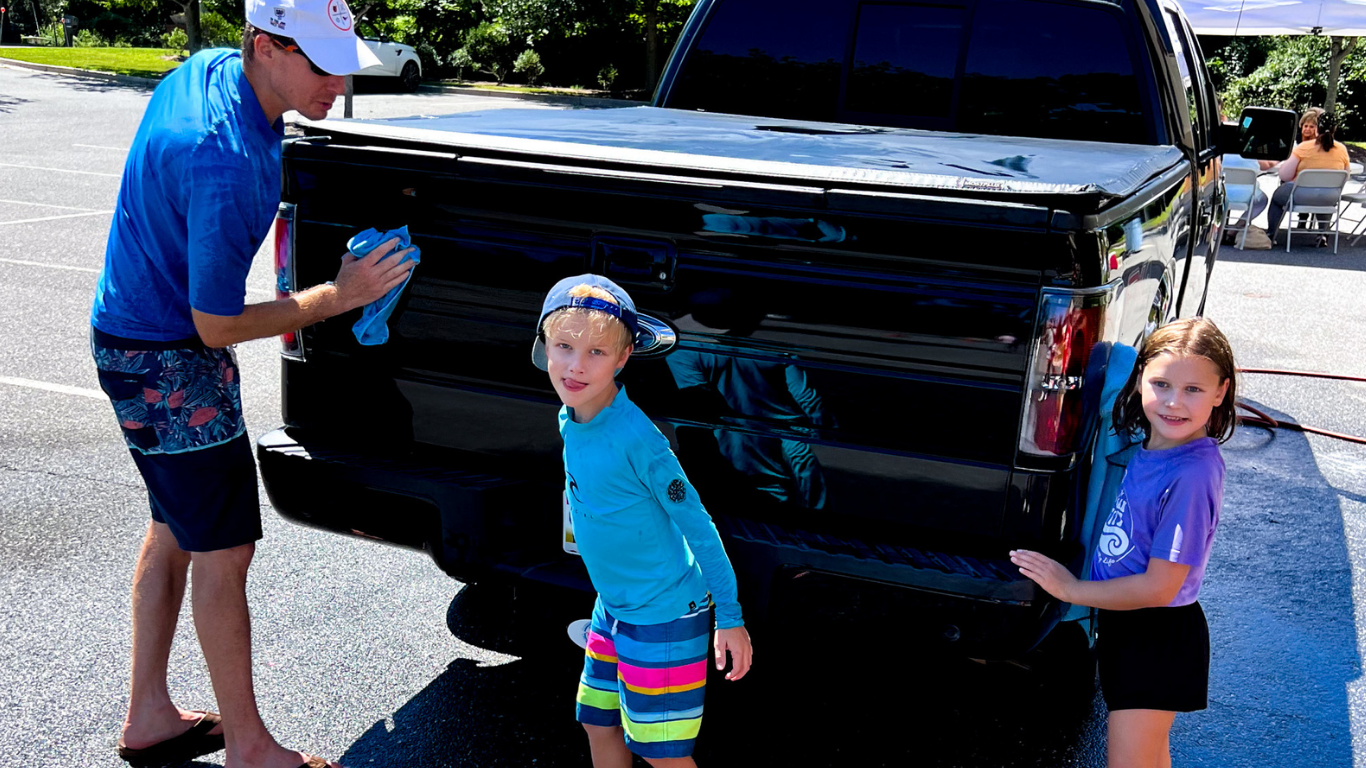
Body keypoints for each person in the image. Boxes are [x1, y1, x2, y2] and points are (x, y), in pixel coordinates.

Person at [90, 3, 407, 768]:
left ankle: (150, 718)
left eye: (344, 61)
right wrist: (343, 294)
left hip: (128, 336)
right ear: (265, 47)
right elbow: (215, 325)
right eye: (322, 65)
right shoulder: (224, 159)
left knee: (175, 529)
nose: (340, 81)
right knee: (224, 551)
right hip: (171, 361)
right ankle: (253, 751)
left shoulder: (208, 72)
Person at [532, 275, 753, 767]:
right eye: (564, 346)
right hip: (613, 608)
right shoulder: (572, 415)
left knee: (662, 752)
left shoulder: (641, 443)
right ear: (544, 345)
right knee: (597, 721)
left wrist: (731, 618)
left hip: (664, 613)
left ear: (624, 357)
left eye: (596, 353)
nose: (575, 365)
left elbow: (698, 525)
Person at [1008, 317, 1237, 768]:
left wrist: (1071, 589)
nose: (1174, 401)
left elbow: (1160, 586)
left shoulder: (1191, 474)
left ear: (1220, 392)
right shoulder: (1155, 448)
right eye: (1161, 383)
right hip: (1130, 627)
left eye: (1194, 389)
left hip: (1156, 635)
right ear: (1138, 382)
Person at [1266, 110, 1352, 246]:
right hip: (1330, 197)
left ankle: (1271, 233)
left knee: (1277, 198)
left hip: (1300, 195)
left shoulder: (1304, 147)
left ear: (1317, 129)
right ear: (1335, 129)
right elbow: (1345, 175)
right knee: (1324, 194)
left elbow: (1285, 175)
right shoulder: (1341, 149)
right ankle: (1323, 234)